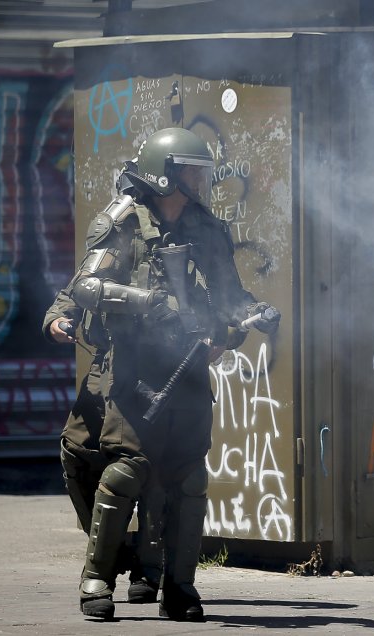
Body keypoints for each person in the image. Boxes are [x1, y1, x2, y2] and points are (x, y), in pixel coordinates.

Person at [65, 127, 279, 621]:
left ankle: (179, 587)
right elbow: (86, 285)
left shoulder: (207, 228)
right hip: (134, 362)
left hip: (191, 362)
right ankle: (97, 578)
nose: (203, 178)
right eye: (193, 170)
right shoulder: (123, 221)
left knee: (188, 477)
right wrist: (148, 302)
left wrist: (255, 313)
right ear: (167, 175)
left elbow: (230, 295)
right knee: (127, 468)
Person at [43, 287, 162, 604]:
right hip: (108, 363)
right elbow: (76, 289)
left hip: (164, 366)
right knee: (76, 449)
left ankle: (149, 566)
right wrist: (59, 319)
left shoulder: (183, 240)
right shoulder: (115, 240)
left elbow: (220, 295)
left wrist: (223, 335)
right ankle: (112, 549)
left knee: (152, 464)